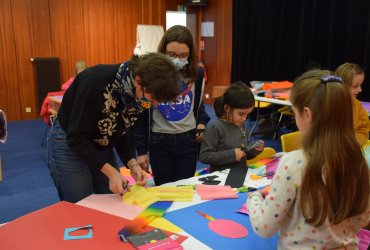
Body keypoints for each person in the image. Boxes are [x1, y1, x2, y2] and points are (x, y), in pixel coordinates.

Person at [246, 69, 369, 249]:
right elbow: (364, 218)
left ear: (307, 114)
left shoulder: (294, 162)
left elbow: (265, 227)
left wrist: (254, 199)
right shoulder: (358, 160)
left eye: (294, 112)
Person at [47, 53, 181, 203]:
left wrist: (133, 165)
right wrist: (111, 172)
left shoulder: (139, 94)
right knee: (82, 204)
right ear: (138, 80)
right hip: (69, 143)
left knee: (113, 201)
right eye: (154, 99)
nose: (154, 104)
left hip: (102, 143)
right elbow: (76, 138)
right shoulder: (94, 83)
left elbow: (123, 132)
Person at [135, 25, 210, 186]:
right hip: (159, 140)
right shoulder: (153, 73)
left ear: (190, 55)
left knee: (184, 191)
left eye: (183, 55)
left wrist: (202, 121)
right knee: (163, 191)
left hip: (188, 140)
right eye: (172, 54)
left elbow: (198, 103)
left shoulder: (197, 74)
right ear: (163, 52)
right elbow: (142, 113)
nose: (177, 59)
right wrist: (141, 150)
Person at [199, 82, 264, 172]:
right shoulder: (215, 127)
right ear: (227, 108)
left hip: (239, 174)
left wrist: (254, 150)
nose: (244, 119)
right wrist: (232, 155)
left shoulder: (241, 125)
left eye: (247, 114)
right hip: (220, 177)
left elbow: (244, 152)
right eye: (241, 114)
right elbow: (204, 156)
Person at [335, 62, 370, 146]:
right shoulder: (328, 104)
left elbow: (364, 129)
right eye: (355, 86)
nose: (360, 90)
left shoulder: (357, 105)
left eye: (360, 85)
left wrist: (356, 141)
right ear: (340, 86)